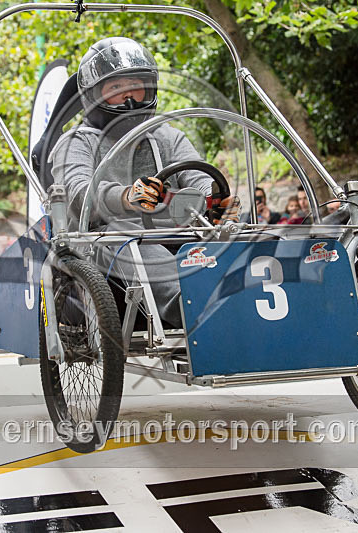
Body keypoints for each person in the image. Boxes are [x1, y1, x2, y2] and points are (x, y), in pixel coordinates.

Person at [49, 37, 240, 327]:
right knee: (132, 240)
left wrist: (215, 200)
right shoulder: (75, 142)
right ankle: (194, 310)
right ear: (93, 95)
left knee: (234, 234)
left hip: (175, 235)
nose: (130, 98)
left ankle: (249, 297)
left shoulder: (168, 137)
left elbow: (199, 177)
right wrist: (126, 197)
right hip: (103, 244)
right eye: (116, 88)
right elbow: (78, 193)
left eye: (137, 87)